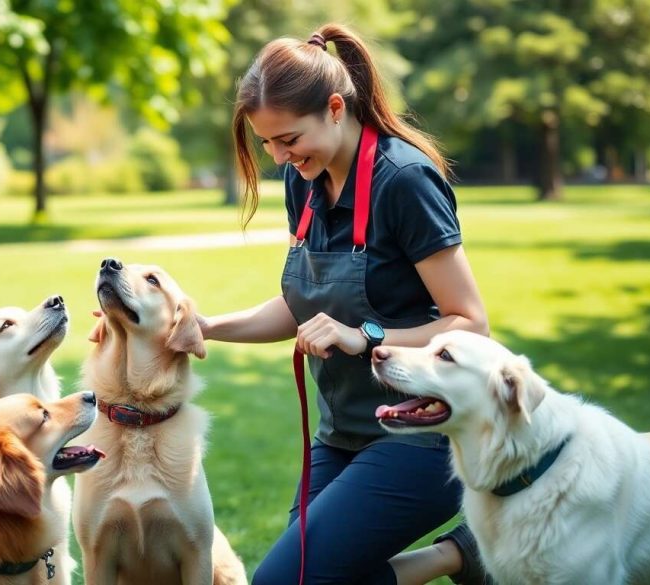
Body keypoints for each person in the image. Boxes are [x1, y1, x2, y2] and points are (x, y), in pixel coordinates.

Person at [197, 23, 493, 585]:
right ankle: (462, 555)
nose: (281, 157)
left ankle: (456, 552)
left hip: (422, 433)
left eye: (288, 139)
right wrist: (207, 327)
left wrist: (367, 337)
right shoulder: (304, 181)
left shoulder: (404, 181)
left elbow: (471, 323)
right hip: (340, 433)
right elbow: (302, 308)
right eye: (268, 145)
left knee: (286, 581)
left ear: (335, 108)